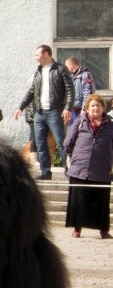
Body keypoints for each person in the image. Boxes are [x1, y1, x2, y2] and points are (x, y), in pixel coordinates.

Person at [14, 45, 74, 180]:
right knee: (40, 143)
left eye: (37, 55)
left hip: (54, 112)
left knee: (60, 142)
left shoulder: (60, 69)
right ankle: (45, 171)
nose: (36, 58)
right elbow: (31, 91)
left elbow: (70, 89)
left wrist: (68, 107)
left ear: (46, 54)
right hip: (39, 113)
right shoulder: (38, 71)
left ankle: (68, 171)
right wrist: (20, 107)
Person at [63, 94, 113, 239]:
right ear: (87, 108)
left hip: (102, 169)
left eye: (98, 105)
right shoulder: (79, 122)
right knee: (79, 200)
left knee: (101, 201)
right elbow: (68, 143)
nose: (95, 108)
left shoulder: (110, 125)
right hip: (80, 168)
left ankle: (103, 230)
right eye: (93, 106)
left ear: (103, 108)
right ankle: (77, 229)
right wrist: (75, 157)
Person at [64, 56, 96, 123]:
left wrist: (84, 109)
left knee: (81, 130)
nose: (66, 69)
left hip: (80, 110)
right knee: (72, 131)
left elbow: (88, 93)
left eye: (67, 66)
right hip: (73, 110)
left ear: (72, 65)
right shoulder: (72, 76)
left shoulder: (85, 75)